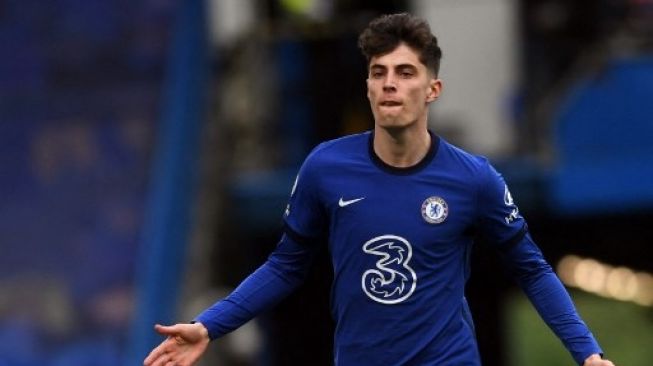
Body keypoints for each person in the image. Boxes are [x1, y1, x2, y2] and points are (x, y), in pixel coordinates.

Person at [144, 13, 615, 366]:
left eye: (405, 73)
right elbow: (285, 266)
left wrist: (588, 353)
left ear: (432, 89)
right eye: (378, 73)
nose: (390, 84)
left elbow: (532, 270)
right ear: (368, 87)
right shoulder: (326, 168)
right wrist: (210, 325)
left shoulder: (474, 179)